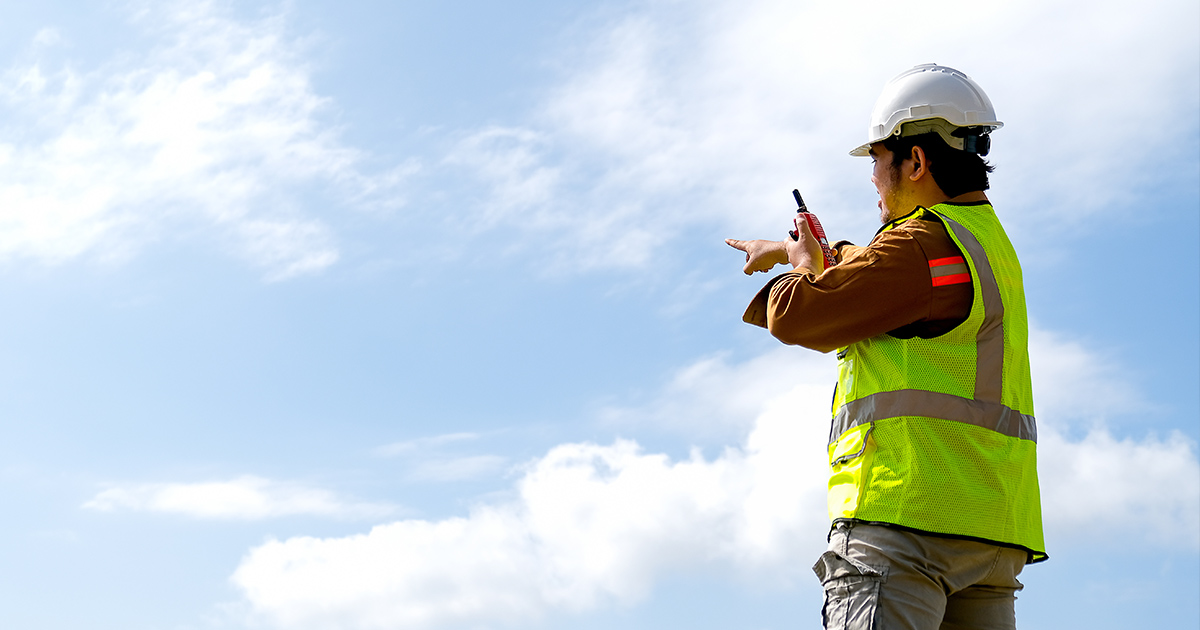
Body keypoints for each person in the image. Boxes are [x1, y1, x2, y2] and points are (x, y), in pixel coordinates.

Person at [726, 64, 1046, 630]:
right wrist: (795, 249)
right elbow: (895, 276)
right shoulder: (982, 242)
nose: (872, 176)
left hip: (906, 524)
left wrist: (800, 269)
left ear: (915, 161)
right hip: (990, 530)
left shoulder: (922, 245)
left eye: (877, 158)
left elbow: (800, 315)